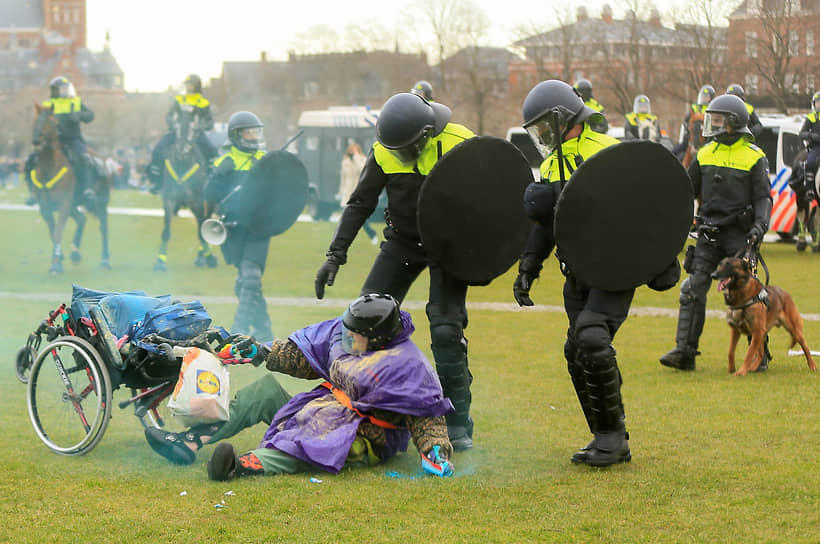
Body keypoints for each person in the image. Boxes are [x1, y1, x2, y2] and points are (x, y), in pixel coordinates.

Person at [513, 80, 681, 467]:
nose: (540, 135)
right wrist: (528, 267)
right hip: (576, 273)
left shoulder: (609, 152)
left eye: (543, 126)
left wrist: (660, 254)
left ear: (562, 119)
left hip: (615, 265)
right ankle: (606, 434)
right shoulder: (552, 163)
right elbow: (546, 226)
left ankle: (612, 441)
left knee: (590, 336)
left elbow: (647, 201)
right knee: (577, 351)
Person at [313, 92, 478, 451]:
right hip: (403, 242)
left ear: (426, 134)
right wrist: (335, 255)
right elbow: (361, 202)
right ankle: (363, 411)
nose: (401, 154)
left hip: (449, 244)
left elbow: (490, 197)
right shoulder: (384, 150)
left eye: (408, 148)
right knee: (361, 324)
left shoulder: (462, 142)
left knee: (446, 327)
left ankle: (458, 423)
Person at [146, 294, 455, 480]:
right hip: (325, 407)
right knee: (265, 391)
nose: (346, 338)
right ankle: (188, 442)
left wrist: (436, 452)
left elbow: (428, 416)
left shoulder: (408, 367)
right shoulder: (347, 332)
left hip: (362, 437)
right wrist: (260, 351)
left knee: (306, 441)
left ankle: (238, 467)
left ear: (377, 339)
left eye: (355, 335)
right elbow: (305, 357)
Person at [659, 94, 772, 372]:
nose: (711, 125)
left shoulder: (755, 156)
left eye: (718, 120)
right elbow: (685, 190)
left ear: (734, 123)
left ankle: (759, 355)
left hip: (739, 237)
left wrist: (760, 226)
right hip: (708, 235)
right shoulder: (705, 153)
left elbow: (763, 198)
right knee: (693, 289)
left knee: (748, 295)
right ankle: (684, 352)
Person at [204, 111, 274, 341]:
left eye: (257, 131)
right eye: (249, 132)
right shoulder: (225, 160)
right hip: (233, 230)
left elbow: (281, 190)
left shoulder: (265, 159)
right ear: (236, 135)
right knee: (245, 282)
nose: (254, 136)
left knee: (251, 278)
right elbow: (209, 194)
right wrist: (217, 175)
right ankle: (265, 332)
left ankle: (238, 331)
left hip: (259, 229)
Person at [24, 76, 95, 206]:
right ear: (55, 91)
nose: (66, 91)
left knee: (85, 158)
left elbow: (90, 115)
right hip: (53, 142)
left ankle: (87, 189)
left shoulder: (76, 102)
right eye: (62, 89)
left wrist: (79, 115)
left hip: (73, 140)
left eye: (67, 88)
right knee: (30, 160)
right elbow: (41, 122)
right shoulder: (47, 104)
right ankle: (32, 193)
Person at [145, 74, 217, 192]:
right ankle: (156, 181)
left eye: (191, 84)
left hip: (196, 134)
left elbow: (210, 122)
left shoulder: (203, 102)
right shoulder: (179, 99)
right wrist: (172, 125)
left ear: (197, 86)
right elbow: (169, 115)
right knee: (158, 148)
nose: (188, 87)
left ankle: (210, 183)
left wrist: (201, 127)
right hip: (177, 133)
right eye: (187, 84)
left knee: (212, 151)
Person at [339, 141, 378, 245]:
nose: (352, 151)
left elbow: (363, 171)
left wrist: (356, 157)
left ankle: (372, 234)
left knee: (360, 219)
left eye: (354, 150)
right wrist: (341, 191)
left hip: (358, 192)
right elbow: (343, 178)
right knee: (345, 217)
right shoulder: (345, 162)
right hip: (347, 193)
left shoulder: (363, 160)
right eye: (351, 149)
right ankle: (342, 241)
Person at [672, 84, 716, 157]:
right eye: (703, 96)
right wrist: (689, 128)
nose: (704, 98)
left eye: (706, 97)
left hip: (708, 136)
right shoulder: (694, 108)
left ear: (711, 98)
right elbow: (686, 121)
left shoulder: (713, 108)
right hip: (693, 134)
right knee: (680, 148)